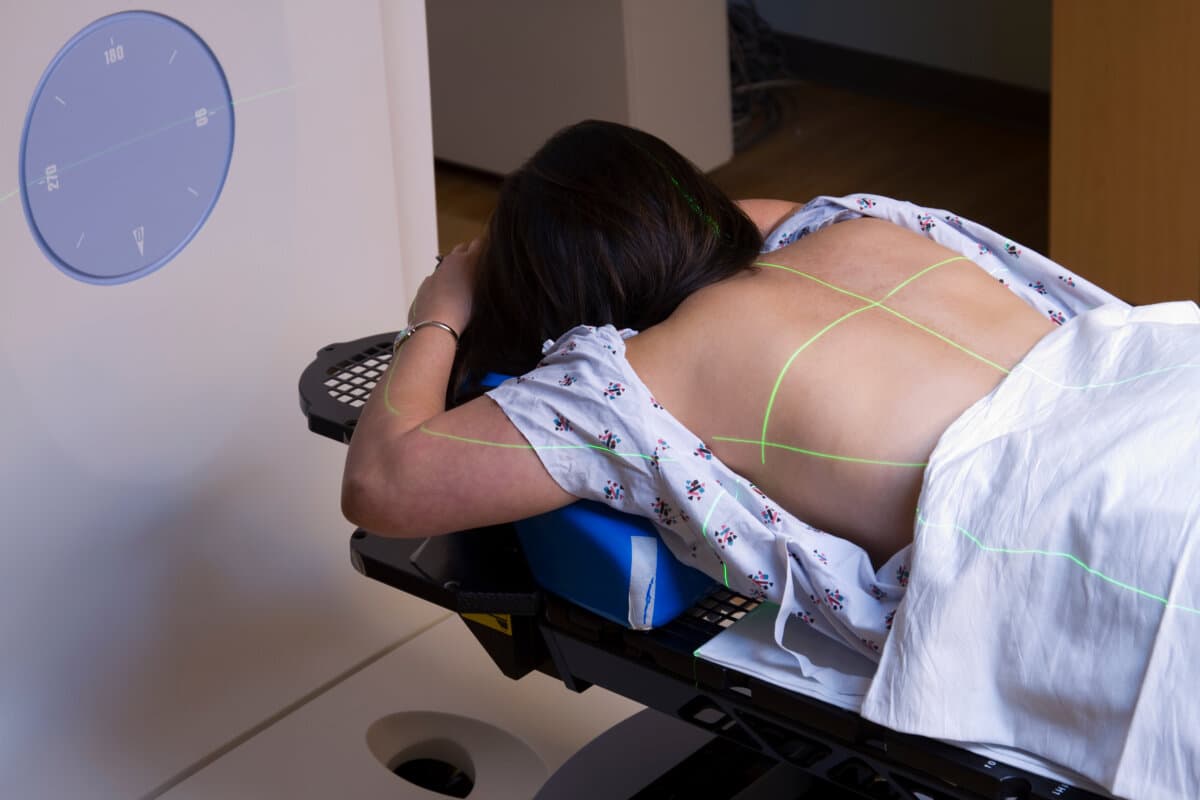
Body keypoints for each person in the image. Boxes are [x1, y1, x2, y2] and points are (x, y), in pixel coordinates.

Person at [340, 119, 1053, 570]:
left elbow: (380, 486)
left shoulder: (636, 377)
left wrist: (438, 311)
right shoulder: (845, 226)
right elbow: (744, 218)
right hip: (1146, 393)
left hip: (1060, 514)